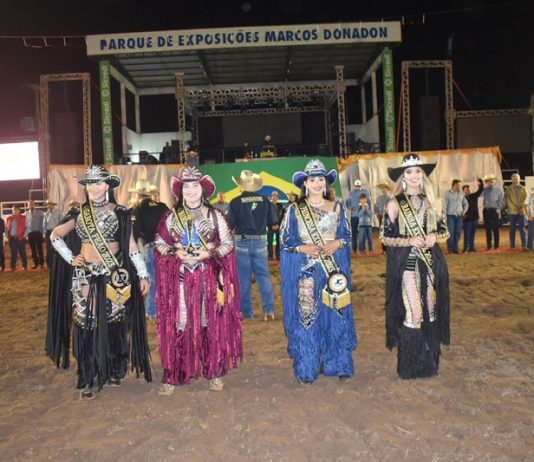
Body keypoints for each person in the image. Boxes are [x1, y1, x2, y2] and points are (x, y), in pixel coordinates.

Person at [45, 165, 152, 400]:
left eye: (98, 183)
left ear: (107, 186)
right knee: (88, 323)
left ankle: (112, 369)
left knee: (113, 321)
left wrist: (143, 275)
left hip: (114, 276)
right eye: (89, 184)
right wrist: (70, 258)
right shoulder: (79, 213)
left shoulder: (121, 213)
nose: (93, 188)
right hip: (85, 276)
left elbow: (132, 248)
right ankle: (91, 375)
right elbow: (55, 236)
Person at [153, 166, 242, 394]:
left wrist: (209, 253)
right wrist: (175, 253)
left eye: (195, 186)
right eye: (186, 187)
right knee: (180, 322)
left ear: (203, 190)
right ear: (180, 191)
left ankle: (214, 371)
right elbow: (160, 243)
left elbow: (228, 243)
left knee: (208, 322)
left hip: (208, 277)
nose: (191, 191)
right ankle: (175, 373)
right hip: (180, 279)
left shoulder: (215, 216)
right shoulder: (171, 216)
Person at [280, 159, 356, 385]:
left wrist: (338, 243)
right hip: (307, 271)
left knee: (336, 316)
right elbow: (285, 241)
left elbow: (347, 235)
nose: (316, 183)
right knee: (307, 317)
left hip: (333, 272)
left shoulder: (338, 207)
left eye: (320, 179)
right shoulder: (294, 210)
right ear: (305, 183)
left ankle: (338, 363)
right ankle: (307, 367)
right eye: (312, 179)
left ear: (326, 182)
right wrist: (303, 248)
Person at [380, 153, 450, 379]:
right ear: (403, 176)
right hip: (407, 265)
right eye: (409, 172)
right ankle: (410, 365)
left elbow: (445, 231)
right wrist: (408, 240)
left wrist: (434, 236)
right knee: (414, 311)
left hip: (430, 263)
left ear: (423, 175)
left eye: (417, 171)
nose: (413, 176)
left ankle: (429, 362)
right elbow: (384, 237)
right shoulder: (393, 203)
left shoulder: (433, 201)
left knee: (430, 309)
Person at [227, 170, 276, 321]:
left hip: (242, 242)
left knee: (243, 279)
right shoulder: (265, 200)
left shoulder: (235, 202)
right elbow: (272, 222)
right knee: (264, 277)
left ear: (241, 185)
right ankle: (269, 310)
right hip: (260, 242)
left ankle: (247, 312)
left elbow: (230, 225)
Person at [131, 179, 169, 319]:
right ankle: (165, 308)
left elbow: (136, 233)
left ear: (138, 195)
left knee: (152, 279)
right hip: (166, 248)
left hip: (150, 247)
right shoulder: (162, 207)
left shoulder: (138, 210)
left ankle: (152, 310)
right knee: (164, 279)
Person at [443, 179, 468, 254]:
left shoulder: (461, 194)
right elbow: (444, 206)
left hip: (459, 216)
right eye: (458, 186)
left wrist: (464, 212)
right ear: (453, 185)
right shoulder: (447, 193)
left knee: (458, 233)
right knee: (450, 233)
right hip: (450, 216)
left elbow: (466, 204)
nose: (459, 187)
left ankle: (455, 248)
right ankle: (450, 249)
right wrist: (445, 217)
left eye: (459, 186)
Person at [481, 173, 505, 251]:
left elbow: (502, 201)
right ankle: (489, 246)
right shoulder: (485, 189)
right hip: (486, 210)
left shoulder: (499, 189)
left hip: (495, 211)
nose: (489, 183)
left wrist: (499, 209)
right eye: (487, 181)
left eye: (491, 181)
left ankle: (496, 246)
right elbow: (480, 195)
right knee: (487, 229)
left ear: (494, 181)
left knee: (495, 228)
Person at [346, 179, 369, 253]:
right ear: (354, 186)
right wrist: (350, 207)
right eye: (356, 186)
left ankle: (362, 248)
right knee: (354, 232)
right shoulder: (351, 193)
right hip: (354, 216)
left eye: (359, 186)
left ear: (360, 186)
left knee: (363, 232)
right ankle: (354, 248)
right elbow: (347, 203)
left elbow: (368, 202)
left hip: (363, 216)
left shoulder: (365, 192)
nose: (357, 187)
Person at [505, 173, 528, 250]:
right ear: (512, 180)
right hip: (512, 212)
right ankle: (512, 246)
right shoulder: (508, 189)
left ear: (519, 179)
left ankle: (524, 246)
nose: (515, 180)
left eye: (517, 179)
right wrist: (515, 208)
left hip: (521, 211)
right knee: (512, 229)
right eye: (514, 179)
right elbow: (508, 200)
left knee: (522, 229)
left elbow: (525, 199)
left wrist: (520, 207)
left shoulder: (523, 188)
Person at [462, 179, 483, 252]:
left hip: (474, 218)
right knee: (467, 234)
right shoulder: (462, 199)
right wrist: (463, 215)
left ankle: (471, 247)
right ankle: (465, 248)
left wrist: (480, 183)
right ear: (463, 191)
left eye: (468, 189)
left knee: (472, 234)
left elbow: (480, 191)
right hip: (467, 219)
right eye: (466, 189)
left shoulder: (473, 196)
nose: (467, 191)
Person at [6, 205, 28, 272]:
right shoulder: (9, 218)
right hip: (12, 239)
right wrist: (7, 236)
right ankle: (13, 267)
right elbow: (6, 228)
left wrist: (24, 236)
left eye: (15, 209)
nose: (14, 211)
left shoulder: (24, 218)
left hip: (21, 238)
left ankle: (24, 266)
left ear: (19, 210)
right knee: (13, 253)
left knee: (22, 253)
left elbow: (27, 228)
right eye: (13, 210)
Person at [26, 200, 45, 269]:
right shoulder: (26, 214)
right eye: (29, 204)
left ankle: (41, 263)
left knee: (40, 248)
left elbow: (43, 222)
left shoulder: (40, 213)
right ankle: (35, 263)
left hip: (38, 233)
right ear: (28, 206)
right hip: (30, 233)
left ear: (35, 205)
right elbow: (26, 224)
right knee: (33, 249)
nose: (31, 206)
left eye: (32, 204)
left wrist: (42, 231)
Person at [374, 183, 391, 254]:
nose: (384, 190)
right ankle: (384, 249)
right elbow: (376, 207)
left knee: (389, 232)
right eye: (382, 188)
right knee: (382, 233)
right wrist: (377, 214)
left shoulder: (390, 198)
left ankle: (390, 248)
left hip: (389, 216)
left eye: (385, 188)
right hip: (381, 216)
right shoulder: (378, 198)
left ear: (387, 189)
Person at [267, 191, 285, 260]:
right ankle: (270, 255)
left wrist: (278, 225)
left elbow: (283, 217)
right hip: (270, 227)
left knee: (279, 242)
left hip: (278, 226)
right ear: (271, 197)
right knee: (269, 242)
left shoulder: (281, 206)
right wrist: (270, 225)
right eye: (273, 196)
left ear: (278, 198)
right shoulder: (268, 206)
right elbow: (265, 217)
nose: (274, 197)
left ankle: (278, 255)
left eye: (276, 196)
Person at [44, 199, 61, 269]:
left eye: (50, 204)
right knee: (49, 248)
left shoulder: (58, 212)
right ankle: (49, 264)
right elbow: (44, 223)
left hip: (55, 232)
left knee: (56, 247)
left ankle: (56, 264)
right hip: (48, 232)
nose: (49, 205)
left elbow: (61, 222)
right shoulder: (46, 213)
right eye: (48, 204)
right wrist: (45, 231)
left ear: (53, 205)